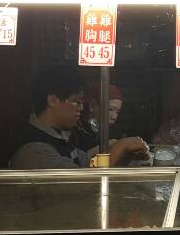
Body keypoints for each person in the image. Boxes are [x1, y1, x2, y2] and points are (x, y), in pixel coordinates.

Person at [9, 65, 147, 169]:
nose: (81, 108)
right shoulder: (34, 150)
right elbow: (86, 183)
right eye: (76, 101)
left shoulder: (60, 137)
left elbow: (87, 163)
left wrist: (123, 155)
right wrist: (121, 146)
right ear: (53, 100)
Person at [73, 82, 128, 152]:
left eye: (117, 112)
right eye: (110, 109)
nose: (114, 117)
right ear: (92, 105)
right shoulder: (75, 132)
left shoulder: (115, 132)